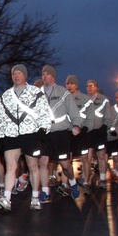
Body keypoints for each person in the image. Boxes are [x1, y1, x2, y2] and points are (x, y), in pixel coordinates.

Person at [0, 64, 53, 211]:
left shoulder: (36, 93)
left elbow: (45, 113)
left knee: (33, 166)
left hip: (30, 134)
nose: (16, 76)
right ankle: (7, 198)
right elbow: (0, 117)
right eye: (14, 74)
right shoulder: (6, 95)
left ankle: (35, 197)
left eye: (19, 73)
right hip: (11, 135)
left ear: (25, 75)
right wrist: (1, 134)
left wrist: (42, 130)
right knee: (11, 167)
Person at [38, 65, 83, 202]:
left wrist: (76, 125)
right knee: (43, 162)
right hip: (44, 133)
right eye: (43, 74)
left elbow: (74, 112)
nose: (44, 76)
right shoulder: (37, 93)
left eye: (47, 74)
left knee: (65, 164)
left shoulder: (63, 93)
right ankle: (45, 192)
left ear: (53, 76)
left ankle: (73, 183)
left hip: (60, 133)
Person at [65, 74, 94, 186]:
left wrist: (85, 128)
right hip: (68, 132)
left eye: (72, 83)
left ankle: (86, 181)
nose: (69, 86)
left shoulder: (86, 100)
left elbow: (90, 117)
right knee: (68, 159)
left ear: (76, 85)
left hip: (82, 133)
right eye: (67, 83)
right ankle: (67, 183)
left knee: (84, 158)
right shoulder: (64, 99)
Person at [86, 79, 111, 189]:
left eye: (92, 85)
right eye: (88, 86)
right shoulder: (84, 99)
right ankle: (86, 179)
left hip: (99, 131)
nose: (89, 87)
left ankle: (102, 178)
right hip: (88, 132)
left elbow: (108, 115)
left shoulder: (104, 99)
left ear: (96, 87)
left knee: (101, 156)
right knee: (87, 157)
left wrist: (105, 126)